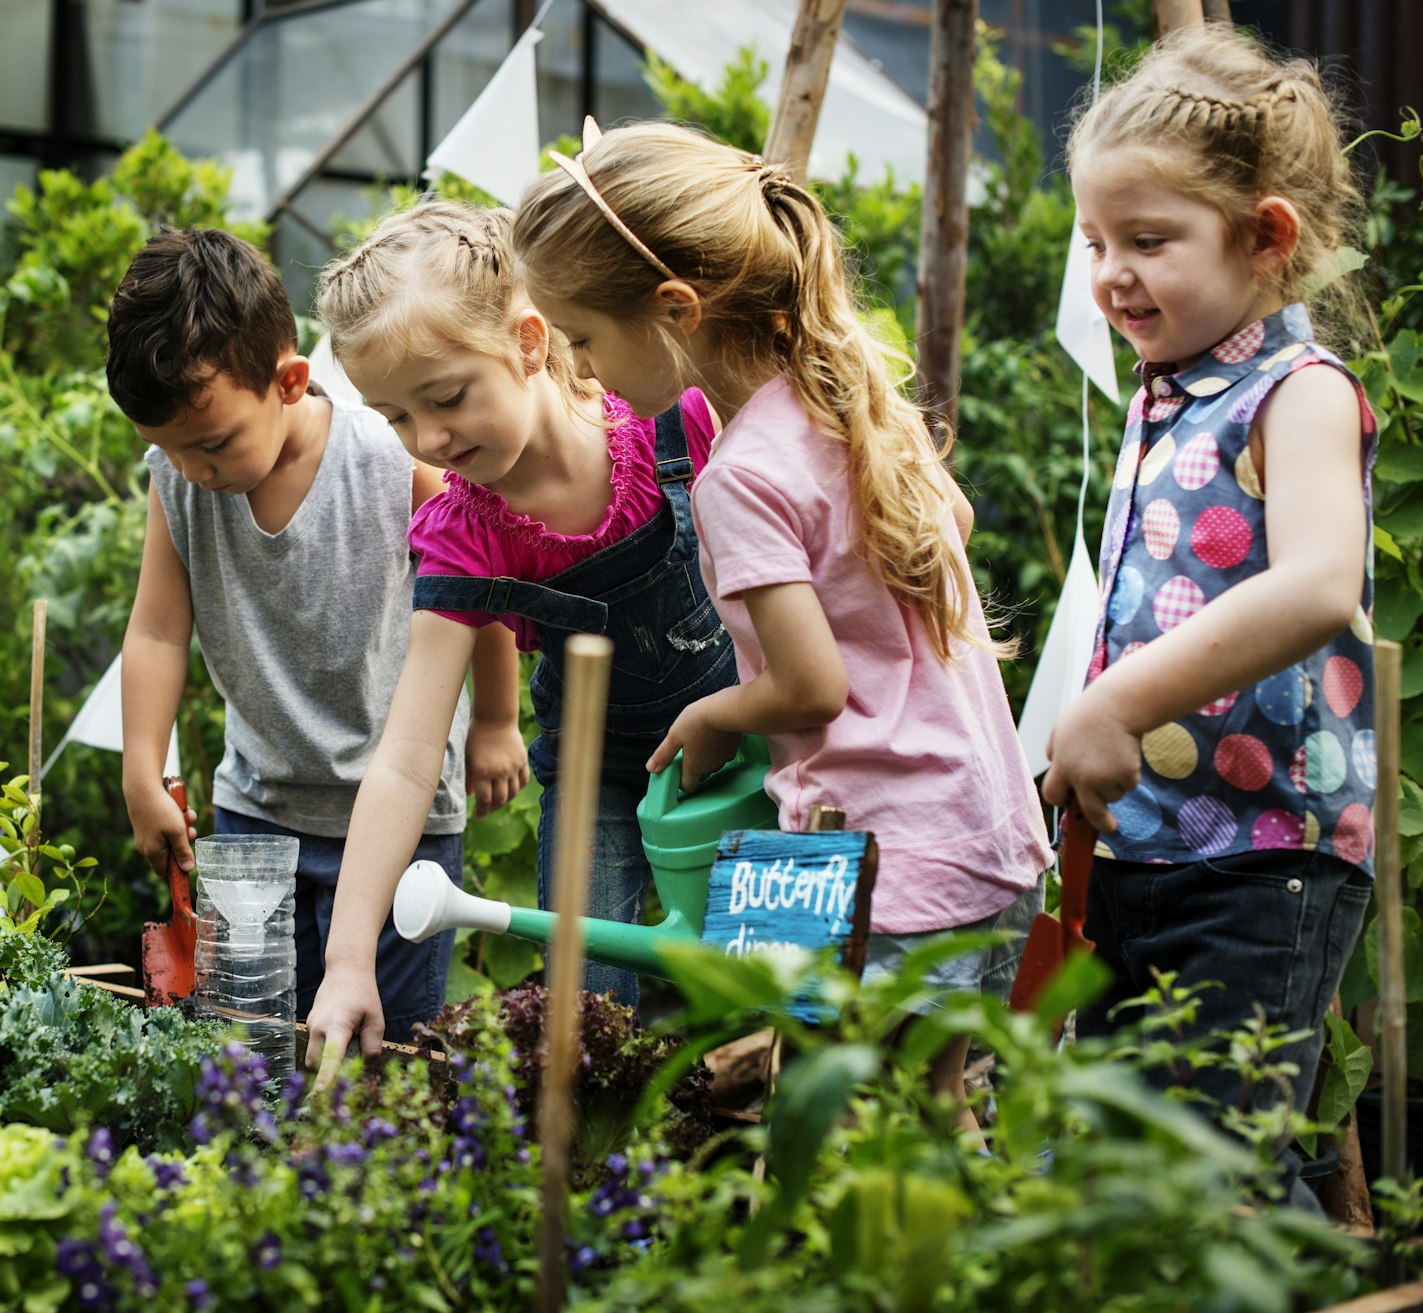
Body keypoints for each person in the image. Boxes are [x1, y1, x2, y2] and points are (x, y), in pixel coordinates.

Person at [510, 122, 1050, 1124]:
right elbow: (953, 522)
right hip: (982, 825)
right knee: (947, 1120)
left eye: (581, 337)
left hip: (883, 861)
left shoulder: (741, 475)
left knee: (870, 1135)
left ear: (674, 308)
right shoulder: (842, 396)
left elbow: (809, 686)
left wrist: (717, 711)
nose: (580, 371)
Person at [1040, 26, 1375, 1151]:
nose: (1108, 274)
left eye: (1145, 239)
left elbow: (1320, 581)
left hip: (1258, 853)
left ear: (1264, 236)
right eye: (1092, 241)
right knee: (1128, 1161)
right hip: (1146, 844)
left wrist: (1111, 704)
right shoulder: (1164, 393)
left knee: (1212, 1170)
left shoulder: (1298, 390)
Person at [304, 199, 737, 1061]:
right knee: (584, 1020)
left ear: (531, 342)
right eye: (394, 416)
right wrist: (347, 960)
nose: (426, 438)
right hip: (600, 775)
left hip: (750, 747)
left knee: (768, 993)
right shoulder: (467, 534)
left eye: (447, 397)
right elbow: (405, 757)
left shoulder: (676, 421)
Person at [109, 228, 521, 1041]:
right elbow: (157, 632)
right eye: (167, 448)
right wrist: (139, 767)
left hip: (404, 819)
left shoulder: (392, 465)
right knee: (248, 1046)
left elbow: (483, 590)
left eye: (214, 442)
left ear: (289, 381)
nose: (193, 468)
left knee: (386, 1053)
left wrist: (499, 723)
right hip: (256, 812)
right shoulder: (180, 483)